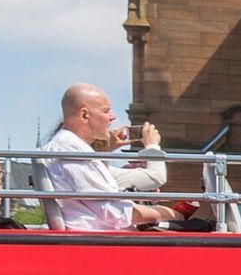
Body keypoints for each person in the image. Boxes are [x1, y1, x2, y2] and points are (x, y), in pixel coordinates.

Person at [44, 84, 177, 232]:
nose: (112, 117)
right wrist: (172, 214)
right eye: (106, 111)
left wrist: (106, 149)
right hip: (103, 240)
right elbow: (115, 213)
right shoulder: (72, 151)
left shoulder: (67, 148)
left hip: (99, 236)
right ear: (84, 114)